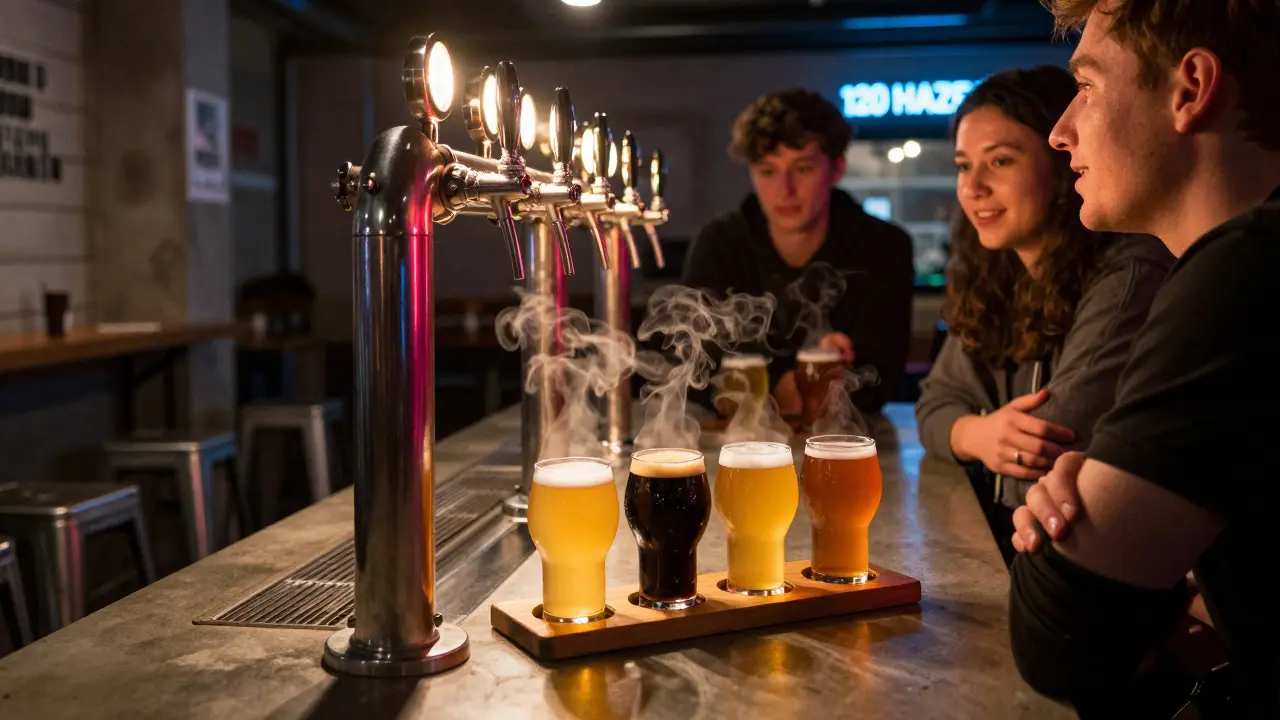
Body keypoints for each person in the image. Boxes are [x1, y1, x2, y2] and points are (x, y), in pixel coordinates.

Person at [1004, 1, 1280, 716]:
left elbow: (1061, 643)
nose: (1061, 131)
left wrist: (1066, 508)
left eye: (1087, 85)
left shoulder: (1245, 271)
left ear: (1191, 88)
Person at [914, 67, 1171, 566]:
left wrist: (973, 433)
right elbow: (933, 404)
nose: (973, 187)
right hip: (1010, 546)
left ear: (1060, 166)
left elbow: (1046, 446)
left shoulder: (1129, 268)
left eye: (1000, 161)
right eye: (964, 166)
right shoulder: (994, 269)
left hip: (1085, 559)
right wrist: (977, 435)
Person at [682, 88, 914, 414]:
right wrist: (785, 384)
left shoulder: (884, 247)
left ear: (836, 168)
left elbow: (881, 377)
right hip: (735, 435)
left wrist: (841, 369)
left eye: (803, 169)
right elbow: (693, 362)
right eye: (768, 171)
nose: (785, 190)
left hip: (847, 436)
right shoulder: (720, 243)